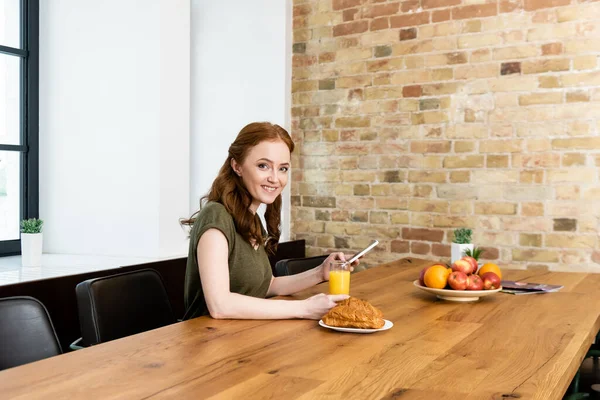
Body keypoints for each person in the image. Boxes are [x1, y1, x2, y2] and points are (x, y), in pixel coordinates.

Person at [181, 122, 356, 320]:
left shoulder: (251, 219)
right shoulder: (216, 216)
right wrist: (304, 309)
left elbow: (268, 286)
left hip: (244, 335)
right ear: (237, 166)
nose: (275, 178)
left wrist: (320, 273)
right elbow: (220, 305)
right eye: (263, 166)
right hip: (206, 342)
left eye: (283, 168)